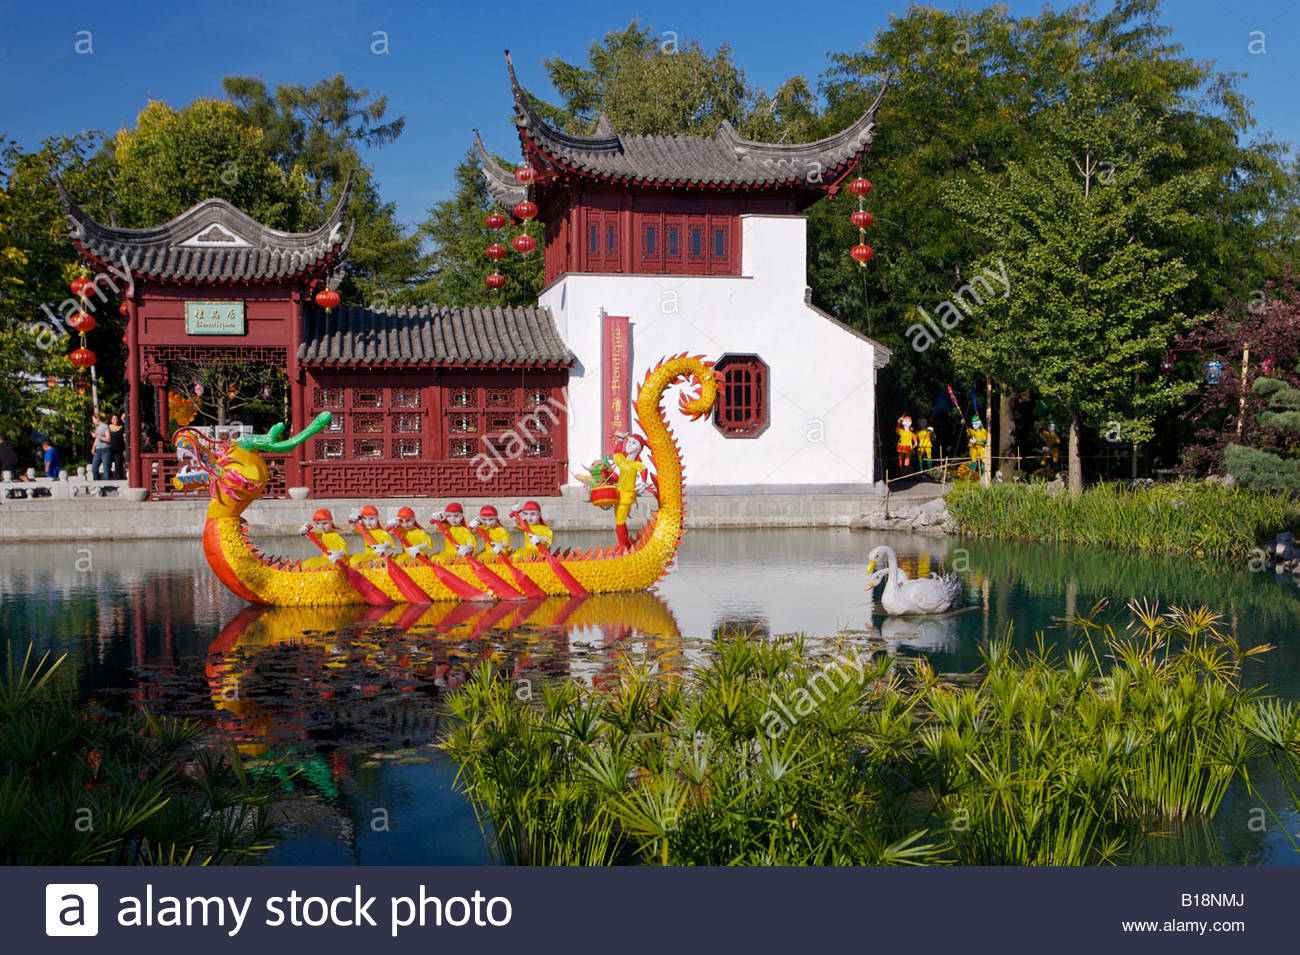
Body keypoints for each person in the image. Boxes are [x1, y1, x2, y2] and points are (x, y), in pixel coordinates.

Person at [612, 434, 650, 550]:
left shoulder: (636, 464)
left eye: (634, 443)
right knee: (619, 519)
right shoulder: (622, 461)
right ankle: (625, 542)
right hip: (618, 494)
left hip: (627, 494)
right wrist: (620, 440)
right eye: (629, 442)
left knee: (620, 519)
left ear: (639, 449)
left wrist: (643, 482)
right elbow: (616, 453)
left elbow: (644, 470)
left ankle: (623, 545)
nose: (630, 445)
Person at [91, 414, 111, 480]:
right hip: (98, 450)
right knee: (94, 468)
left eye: (93, 419)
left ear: (97, 419)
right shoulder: (97, 427)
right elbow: (96, 439)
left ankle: (106, 485)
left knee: (106, 469)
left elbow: (108, 439)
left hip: (105, 449)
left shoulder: (105, 426)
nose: (93, 421)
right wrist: (93, 447)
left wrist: (97, 436)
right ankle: (97, 482)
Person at [108, 414, 126, 480]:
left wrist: (125, 449)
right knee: (107, 464)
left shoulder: (122, 427)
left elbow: (125, 438)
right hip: (109, 448)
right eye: (113, 419)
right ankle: (108, 478)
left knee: (118, 465)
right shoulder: (108, 427)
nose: (115, 420)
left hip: (119, 449)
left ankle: (118, 478)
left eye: (116, 419)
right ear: (111, 420)